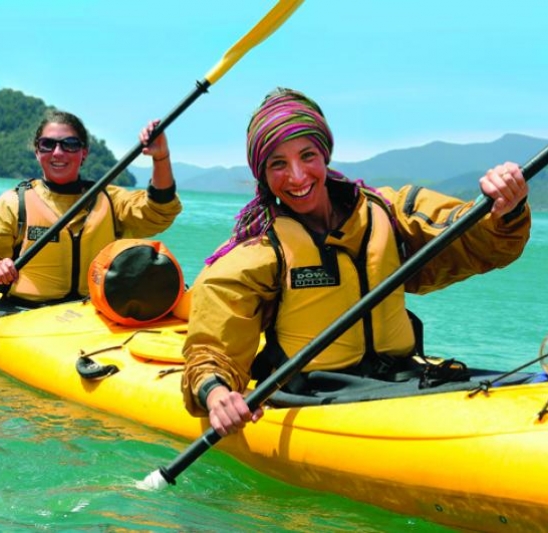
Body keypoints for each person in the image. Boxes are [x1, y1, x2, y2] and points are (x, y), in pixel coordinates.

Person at [181, 88, 531, 436]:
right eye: (278, 164)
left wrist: (504, 207)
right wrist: (216, 392)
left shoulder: (388, 211)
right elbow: (212, 343)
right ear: (263, 174)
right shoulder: (257, 249)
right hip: (315, 395)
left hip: (402, 377)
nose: (298, 176)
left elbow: (476, 239)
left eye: (307, 156)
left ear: (325, 155)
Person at [0, 110, 181, 307]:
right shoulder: (14, 203)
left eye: (69, 144)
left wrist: (160, 157)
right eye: (48, 144)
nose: (58, 152)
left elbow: (159, 211)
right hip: (27, 312)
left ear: (84, 153)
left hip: (94, 312)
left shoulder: (110, 199)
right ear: (37, 152)